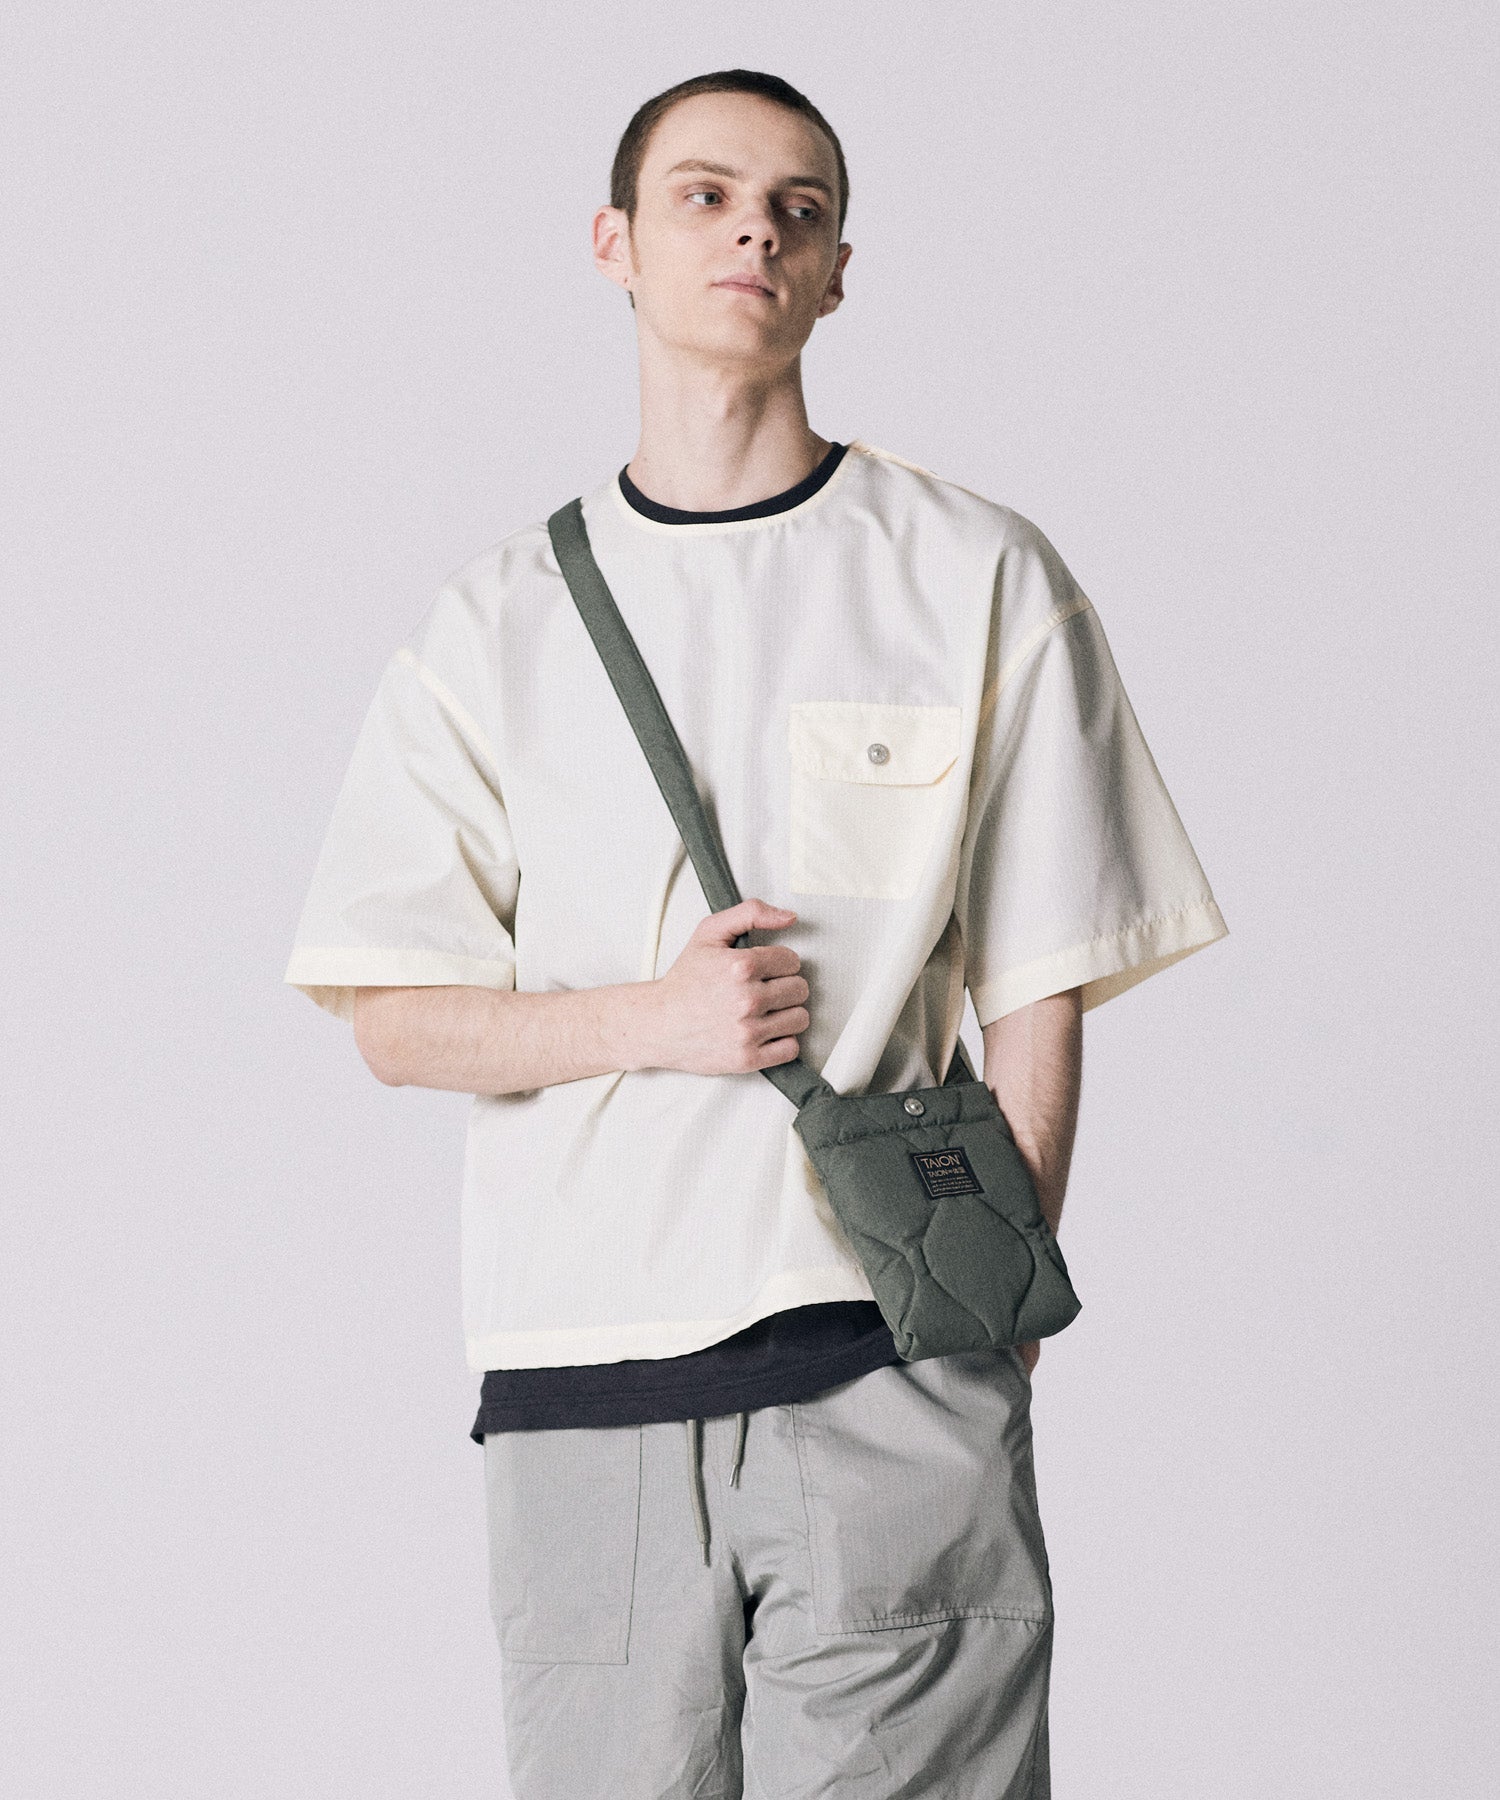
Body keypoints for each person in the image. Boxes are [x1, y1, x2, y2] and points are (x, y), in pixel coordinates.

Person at [284, 68, 1227, 1800]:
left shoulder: (974, 571)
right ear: (615, 245)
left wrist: (985, 1316)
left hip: (884, 1361)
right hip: (578, 1381)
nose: (753, 234)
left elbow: (1042, 982)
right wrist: (650, 1020)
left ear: (839, 268)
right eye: (705, 196)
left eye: (799, 207)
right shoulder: (495, 623)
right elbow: (395, 1016)